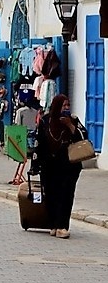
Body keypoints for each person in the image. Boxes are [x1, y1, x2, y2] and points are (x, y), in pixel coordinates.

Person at [33, 95, 85, 239]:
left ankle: (62, 226)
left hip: (69, 165)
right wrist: (35, 165)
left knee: (66, 195)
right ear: (56, 106)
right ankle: (54, 225)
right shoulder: (45, 121)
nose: (66, 108)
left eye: (68, 105)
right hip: (49, 165)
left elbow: (83, 138)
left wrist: (70, 126)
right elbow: (39, 143)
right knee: (51, 195)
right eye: (63, 106)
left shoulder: (73, 120)